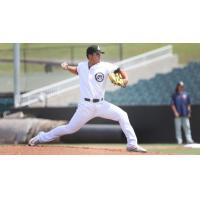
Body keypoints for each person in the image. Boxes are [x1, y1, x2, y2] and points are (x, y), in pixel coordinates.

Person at [28, 45, 147, 152]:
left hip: (101, 105)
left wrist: (125, 79)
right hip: (85, 106)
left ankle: (132, 144)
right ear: (90, 56)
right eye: (97, 54)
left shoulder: (105, 66)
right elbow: (77, 70)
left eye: (100, 54)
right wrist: (67, 67)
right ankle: (41, 137)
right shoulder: (82, 66)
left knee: (123, 115)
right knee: (69, 128)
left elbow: (120, 70)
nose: (100, 55)